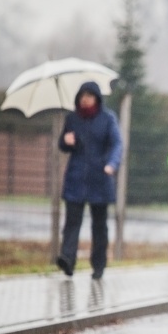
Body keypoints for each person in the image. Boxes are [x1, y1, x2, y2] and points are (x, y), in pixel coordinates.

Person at [56, 81, 122, 280]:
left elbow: (116, 144)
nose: (85, 100)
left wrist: (112, 164)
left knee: (99, 226)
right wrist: (65, 142)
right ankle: (67, 259)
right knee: (71, 222)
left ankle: (99, 265)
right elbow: (63, 145)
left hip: (100, 179)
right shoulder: (72, 119)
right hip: (76, 178)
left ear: (96, 98)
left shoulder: (107, 119)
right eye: (82, 96)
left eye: (89, 96)